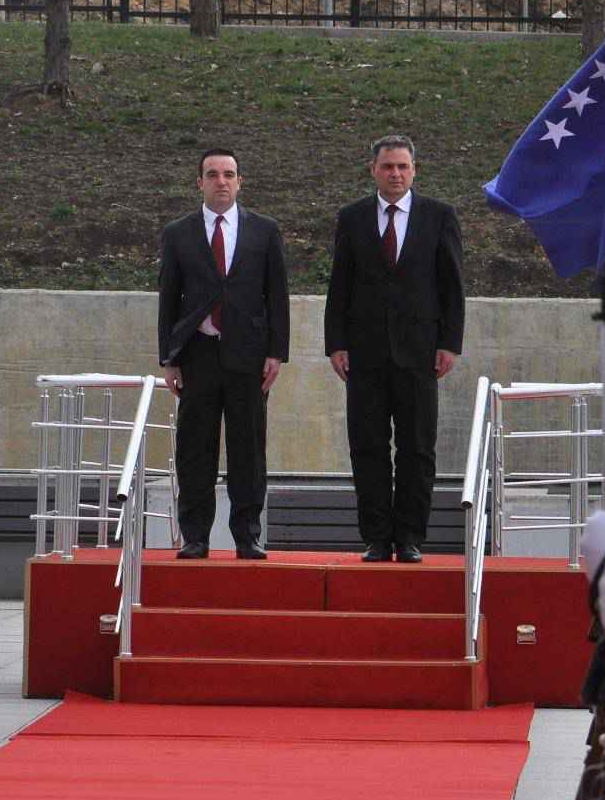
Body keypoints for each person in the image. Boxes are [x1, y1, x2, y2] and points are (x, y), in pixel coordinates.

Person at [323, 134, 465, 563]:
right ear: (374, 170)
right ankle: (377, 537)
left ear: (414, 170)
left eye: (403, 166)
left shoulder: (438, 217)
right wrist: (336, 344)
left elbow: (452, 287)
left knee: (417, 448)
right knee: (367, 447)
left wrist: (449, 343)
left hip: (420, 353)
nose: (396, 174)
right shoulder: (352, 218)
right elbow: (339, 285)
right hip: (363, 355)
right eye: (388, 167)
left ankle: (410, 537)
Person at [156, 148, 290, 560]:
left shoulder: (264, 232)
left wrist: (276, 353)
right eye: (212, 174)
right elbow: (168, 298)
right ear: (199, 182)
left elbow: (277, 296)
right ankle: (195, 536)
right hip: (197, 354)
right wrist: (169, 357)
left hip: (248, 357)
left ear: (240, 181)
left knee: (248, 448)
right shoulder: (179, 233)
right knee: (195, 448)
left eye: (229, 174)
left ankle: (248, 535)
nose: (221, 181)